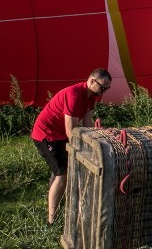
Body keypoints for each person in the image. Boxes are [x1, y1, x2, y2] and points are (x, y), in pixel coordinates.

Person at [31, 68, 112, 226]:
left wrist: (96, 138)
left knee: (59, 171)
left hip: (59, 134)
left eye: (107, 89)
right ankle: (52, 220)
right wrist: (83, 150)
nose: (103, 92)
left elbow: (87, 123)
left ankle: (55, 204)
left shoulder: (91, 97)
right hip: (47, 135)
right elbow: (71, 131)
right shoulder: (74, 95)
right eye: (102, 88)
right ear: (91, 81)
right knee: (62, 175)